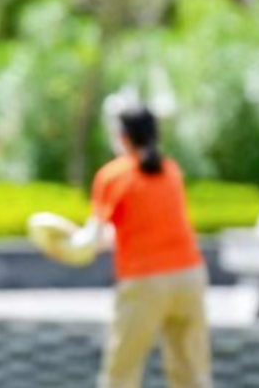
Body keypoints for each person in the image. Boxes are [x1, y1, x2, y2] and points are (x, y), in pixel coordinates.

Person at [74, 104, 212, 388]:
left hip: (144, 280)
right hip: (189, 277)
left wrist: (59, 240)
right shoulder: (171, 170)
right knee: (191, 373)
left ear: (123, 137)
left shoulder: (114, 175)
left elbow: (90, 240)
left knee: (121, 373)